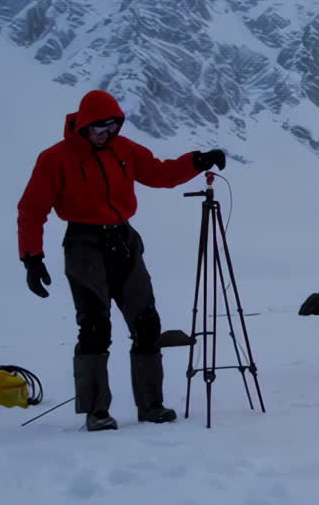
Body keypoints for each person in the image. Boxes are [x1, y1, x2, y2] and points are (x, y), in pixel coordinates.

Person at [17, 89, 226, 431]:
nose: (107, 133)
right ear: (84, 125)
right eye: (99, 127)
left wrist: (197, 161)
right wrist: (32, 258)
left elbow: (159, 173)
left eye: (112, 126)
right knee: (95, 327)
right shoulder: (55, 159)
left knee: (146, 322)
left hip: (124, 241)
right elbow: (31, 210)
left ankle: (151, 406)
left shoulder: (125, 149)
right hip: (84, 245)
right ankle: (96, 411)